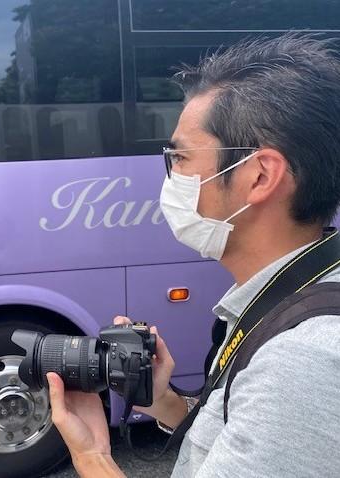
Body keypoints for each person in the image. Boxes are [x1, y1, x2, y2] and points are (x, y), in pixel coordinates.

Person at [47, 33, 340, 478]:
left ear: (259, 177)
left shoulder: (301, 362)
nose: (171, 176)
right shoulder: (290, 296)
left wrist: (92, 456)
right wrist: (161, 399)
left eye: (180, 157)